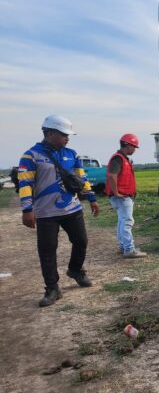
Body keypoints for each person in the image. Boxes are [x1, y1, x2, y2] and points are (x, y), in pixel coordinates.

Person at [18, 115, 100, 307]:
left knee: (81, 241)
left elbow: (82, 178)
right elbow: (25, 183)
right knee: (47, 250)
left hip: (72, 209)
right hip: (46, 213)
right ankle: (52, 288)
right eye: (64, 134)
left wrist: (92, 198)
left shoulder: (72, 154)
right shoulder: (31, 155)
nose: (67, 138)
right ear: (50, 133)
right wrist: (27, 209)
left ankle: (75, 270)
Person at [105, 134, 147, 258]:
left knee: (122, 221)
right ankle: (129, 249)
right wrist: (116, 192)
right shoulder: (118, 158)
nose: (134, 149)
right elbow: (112, 176)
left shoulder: (124, 159)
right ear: (127, 145)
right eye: (134, 147)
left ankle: (124, 246)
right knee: (127, 222)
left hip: (123, 196)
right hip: (122, 196)